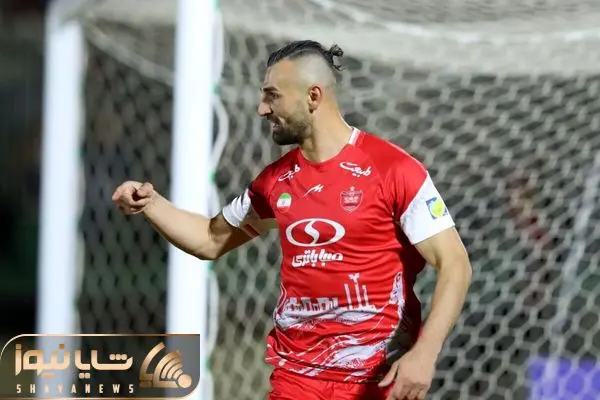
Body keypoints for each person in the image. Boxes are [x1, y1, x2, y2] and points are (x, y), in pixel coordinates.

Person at [112, 40, 472, 400]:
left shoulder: (393, 169)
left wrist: (425, 353)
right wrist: (151, 204)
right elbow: (210, 238)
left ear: (313, 96)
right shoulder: (275, 182)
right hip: (297, 380)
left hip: (377, 382)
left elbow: (455, 263)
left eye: (272, 96)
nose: (261, 109)